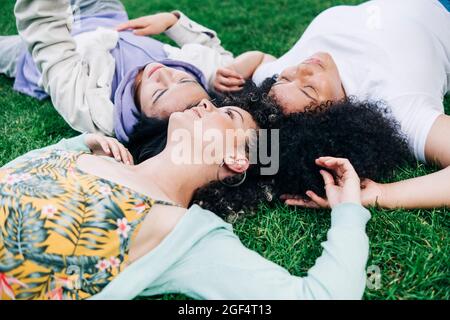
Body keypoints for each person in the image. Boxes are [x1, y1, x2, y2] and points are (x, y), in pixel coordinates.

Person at [1, 88, 372, 300]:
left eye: (228, 115)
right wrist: (77, 143)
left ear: (237, 160)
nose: (206, 104)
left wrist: (349, 213)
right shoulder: (83, 152)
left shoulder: (187, 236)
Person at [211, 0, 450, 210]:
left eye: (285, 78)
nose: (301, 69)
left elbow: (263, 60)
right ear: (335, 120)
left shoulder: (281, 89)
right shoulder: (397, 105)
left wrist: (232, 71)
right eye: (309, 89)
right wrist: (382, 193)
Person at [2, 0, 263, 142]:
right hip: (108, 17)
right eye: (182, 78)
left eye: (159, 93)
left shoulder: (93, 110)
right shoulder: (200, 81)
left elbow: (45, 31)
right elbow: (227, 58)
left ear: (142, 119)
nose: (161, 72)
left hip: (34, 55)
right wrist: (173, 22)